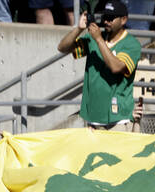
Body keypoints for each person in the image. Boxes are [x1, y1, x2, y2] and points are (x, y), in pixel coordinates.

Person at [57, 0, 142, 130]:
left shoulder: (131, 44)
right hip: (93, 117)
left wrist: (98, 40)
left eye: (111, 18)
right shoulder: (95, 38)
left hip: (117, 120)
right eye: (104, 17)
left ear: (123, 19)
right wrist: (79, 29)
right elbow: (63, 48)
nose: (106, 21)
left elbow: (116, 67)